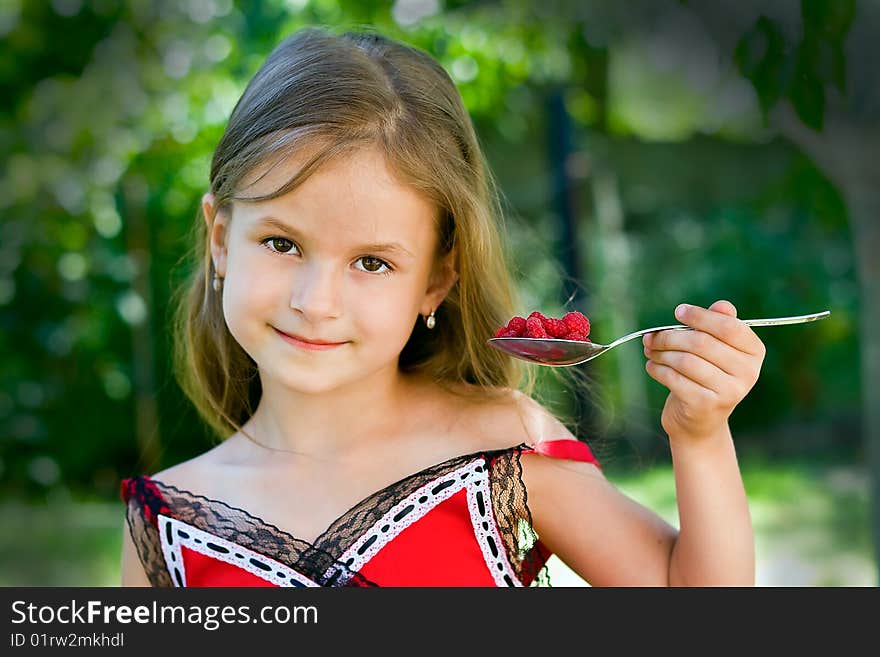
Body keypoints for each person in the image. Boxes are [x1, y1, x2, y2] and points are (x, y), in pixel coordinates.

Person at [120, 26, 763, 587]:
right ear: (222, 238)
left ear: (436, 280)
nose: (315, 303)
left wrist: (700, 435)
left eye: (372, 263)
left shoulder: (507, 446)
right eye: (282, 243)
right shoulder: (166, 524)